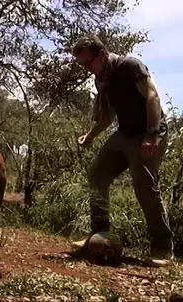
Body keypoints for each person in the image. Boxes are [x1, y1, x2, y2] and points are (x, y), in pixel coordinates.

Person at [70, 34, 174, 267]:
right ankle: (99, 235)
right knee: (97, 175)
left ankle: (163, 247)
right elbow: (107, 118)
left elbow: (152, 97)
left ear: (103, 54)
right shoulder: (100, 79)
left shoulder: (130, 66)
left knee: (144, 185)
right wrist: (90, 136)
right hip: (125, 134)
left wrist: (152, 135)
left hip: (149, 132)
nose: (87, 69)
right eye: (82, 65)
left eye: (89, 63)